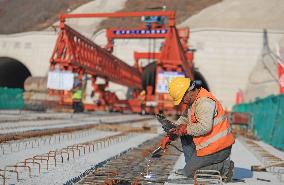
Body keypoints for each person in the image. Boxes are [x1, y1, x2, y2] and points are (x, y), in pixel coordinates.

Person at [167, 77, 235, 181]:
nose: (182, 102)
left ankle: (224, 167)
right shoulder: (193, 102)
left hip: (219, 148)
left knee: (189, 173)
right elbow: (184, 119)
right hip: (207, 146)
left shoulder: (204, 103)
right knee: (184, 134)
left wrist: (184, 129)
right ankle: (192, 166)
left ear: (189, 92)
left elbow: (205, 127)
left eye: (182, 99)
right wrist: (171, 134)